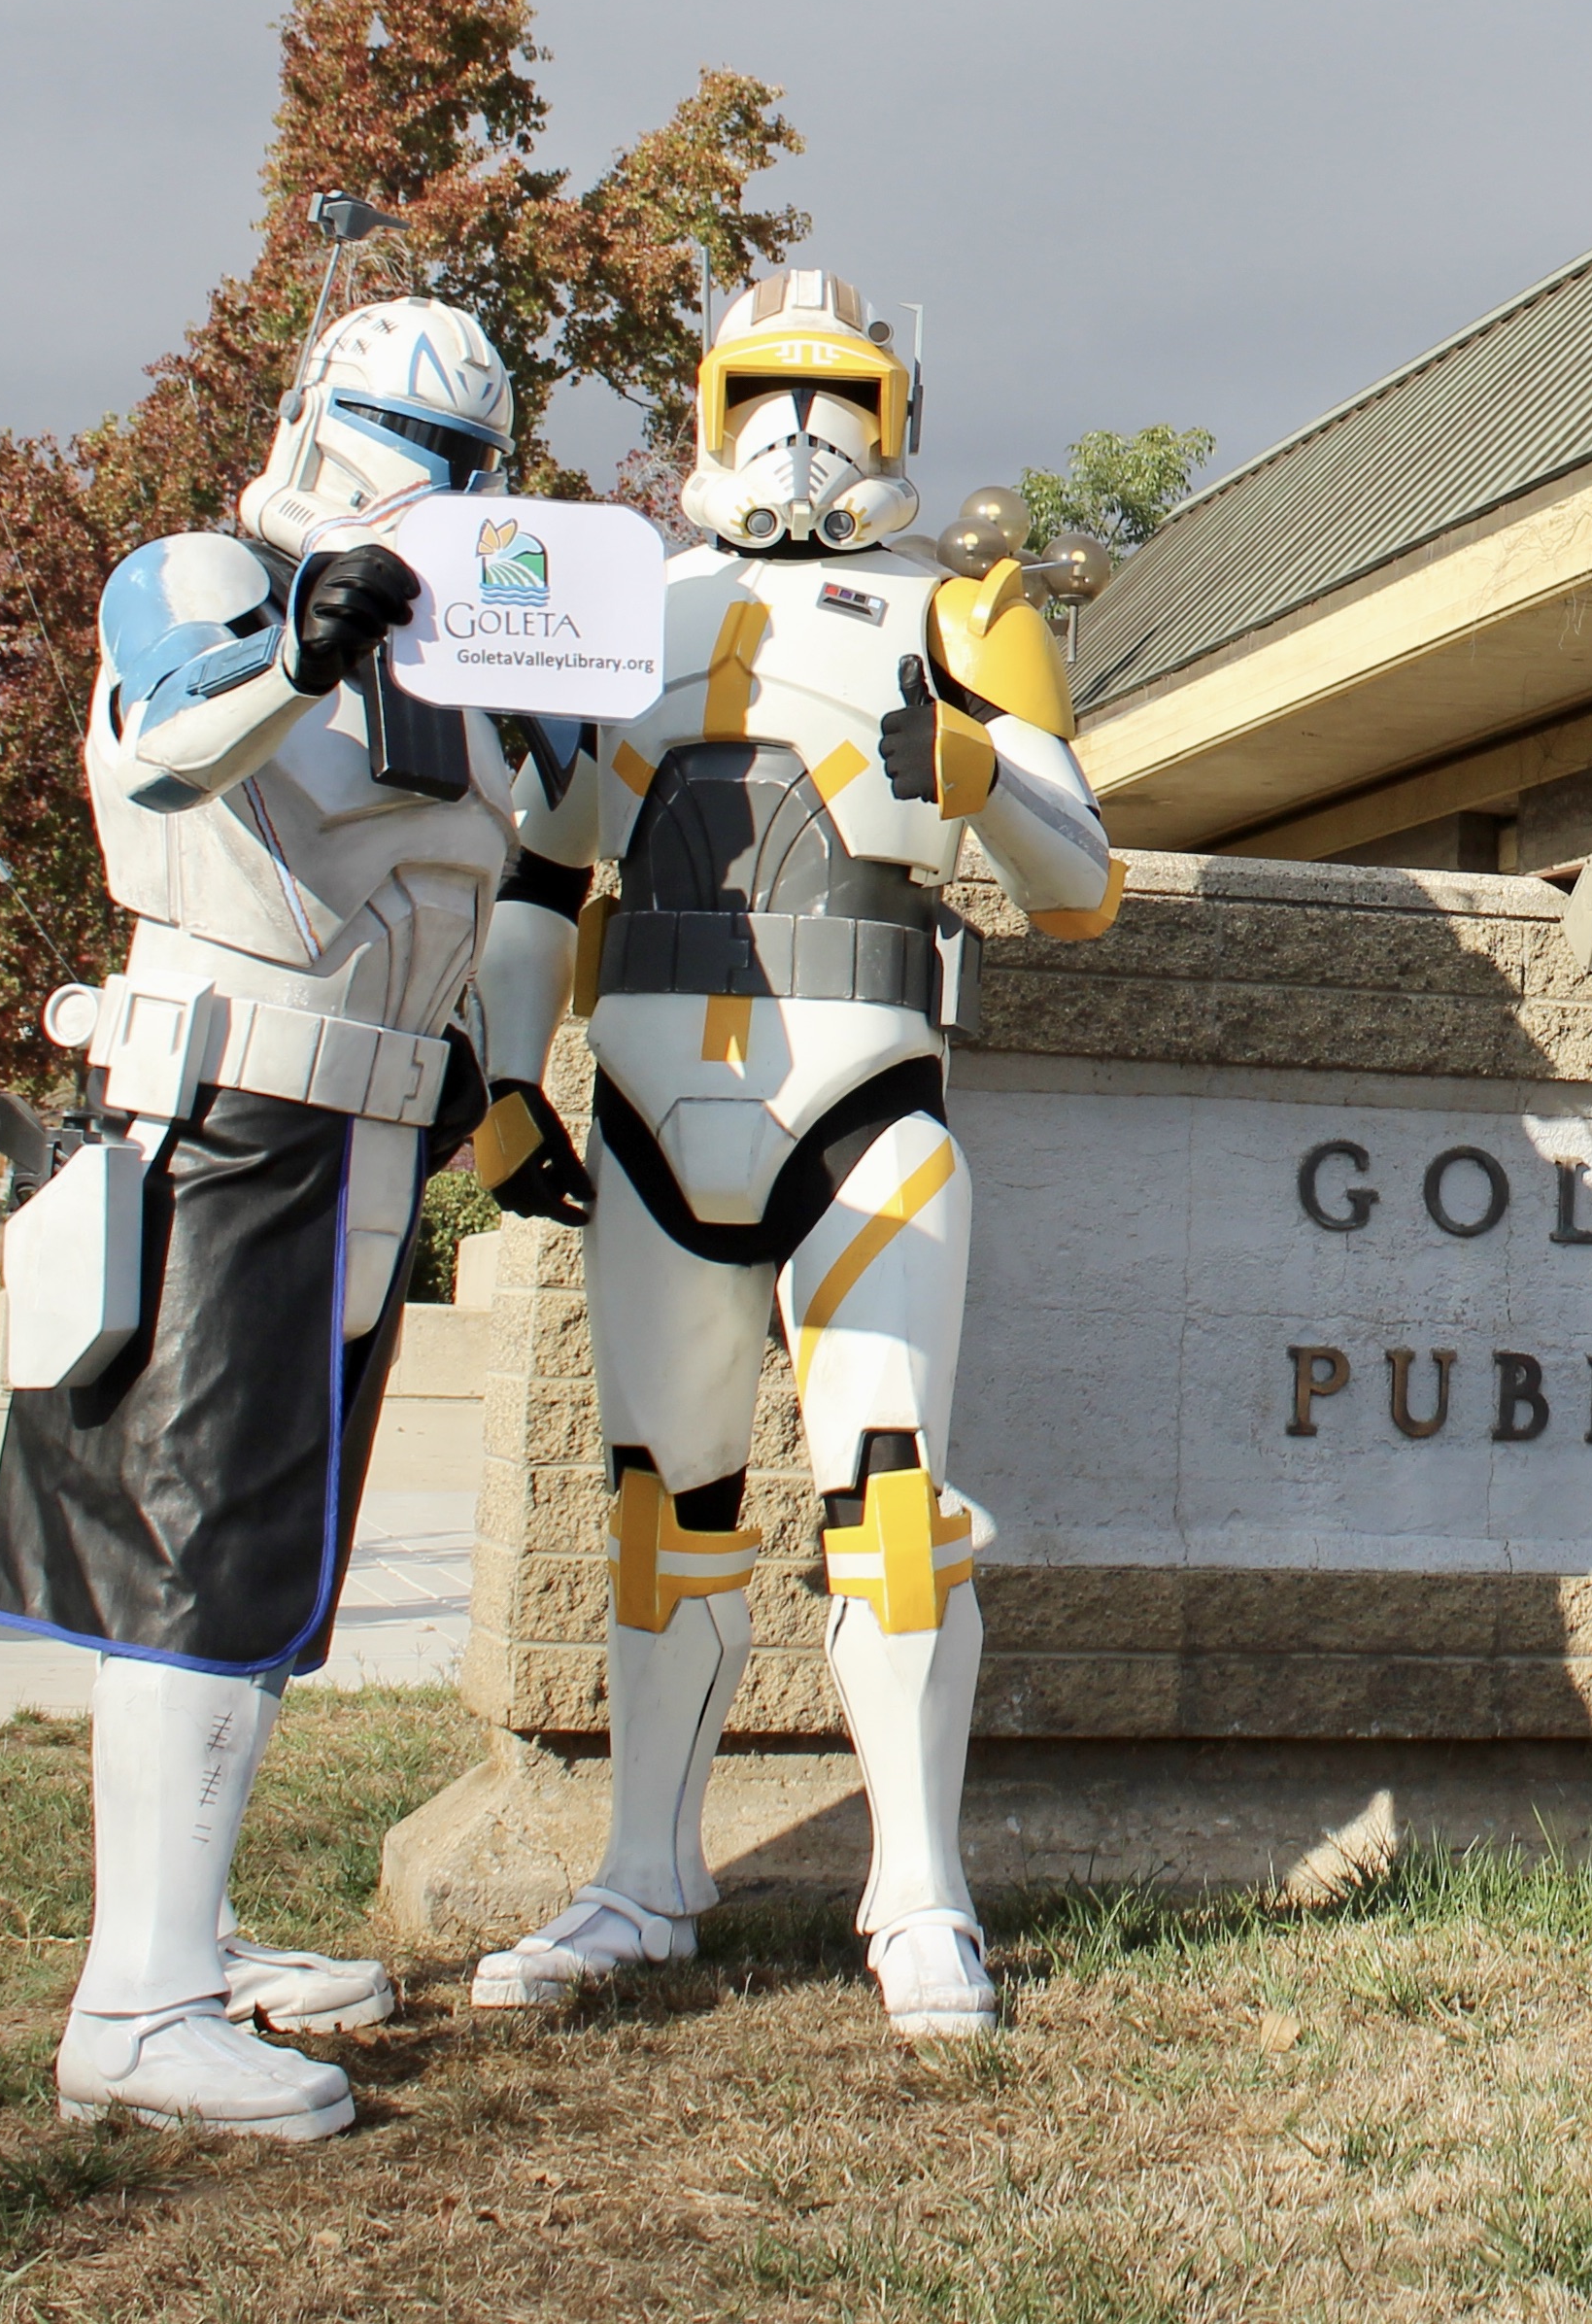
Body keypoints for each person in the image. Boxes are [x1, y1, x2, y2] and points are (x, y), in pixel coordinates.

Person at [467, 269, 1123, 2037]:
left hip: (864, 1109)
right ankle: (643, 1870)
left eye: (834, 390)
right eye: (764, 382)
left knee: (894, 1502)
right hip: (647, 1110)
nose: (798, 425)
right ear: (709, 393)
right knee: (657, 1507)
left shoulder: (962, 612)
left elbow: (1084, 885)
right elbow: (537, 881)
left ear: (898, 411)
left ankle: (919, 1889)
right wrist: (498, 1084)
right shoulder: (626, 609)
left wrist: (982, 769)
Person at [0, 296, 581, 2141]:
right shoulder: (205, 575)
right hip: (232, 1106)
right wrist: (304, 652)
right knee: (196, 1541)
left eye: (473, 450)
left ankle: (190, 1934)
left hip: (371, 1125)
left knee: (270, 1547)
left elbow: (468, 912)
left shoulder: (469, 653)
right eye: (418, 435)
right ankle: (136, 2003)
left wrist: (494, 1113)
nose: (448, 479)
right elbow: (166, 756)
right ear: (322, 414)